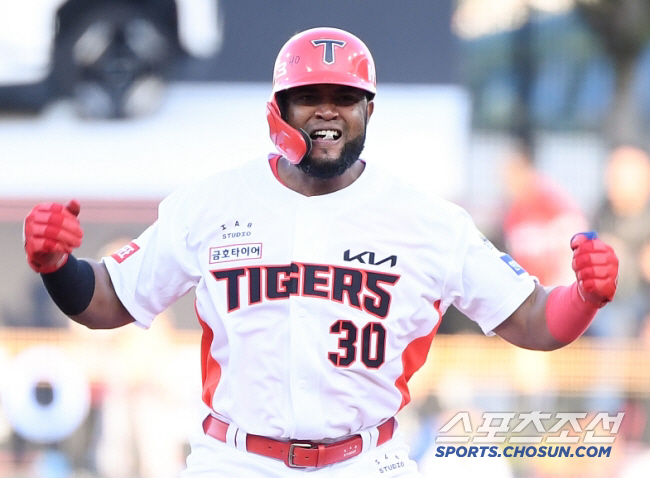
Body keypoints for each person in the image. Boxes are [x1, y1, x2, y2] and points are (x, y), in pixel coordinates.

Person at [22, 27, 619, 477]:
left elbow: (533, 319)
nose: (328, 108)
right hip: (236, 460)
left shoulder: (428, 221)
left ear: (369, 110)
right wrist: (56, 266)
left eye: (346, 95)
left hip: (366, 459)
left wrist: (585, 297)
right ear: (278, 107)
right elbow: (108, 299)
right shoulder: (209, 203)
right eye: (309, 95)